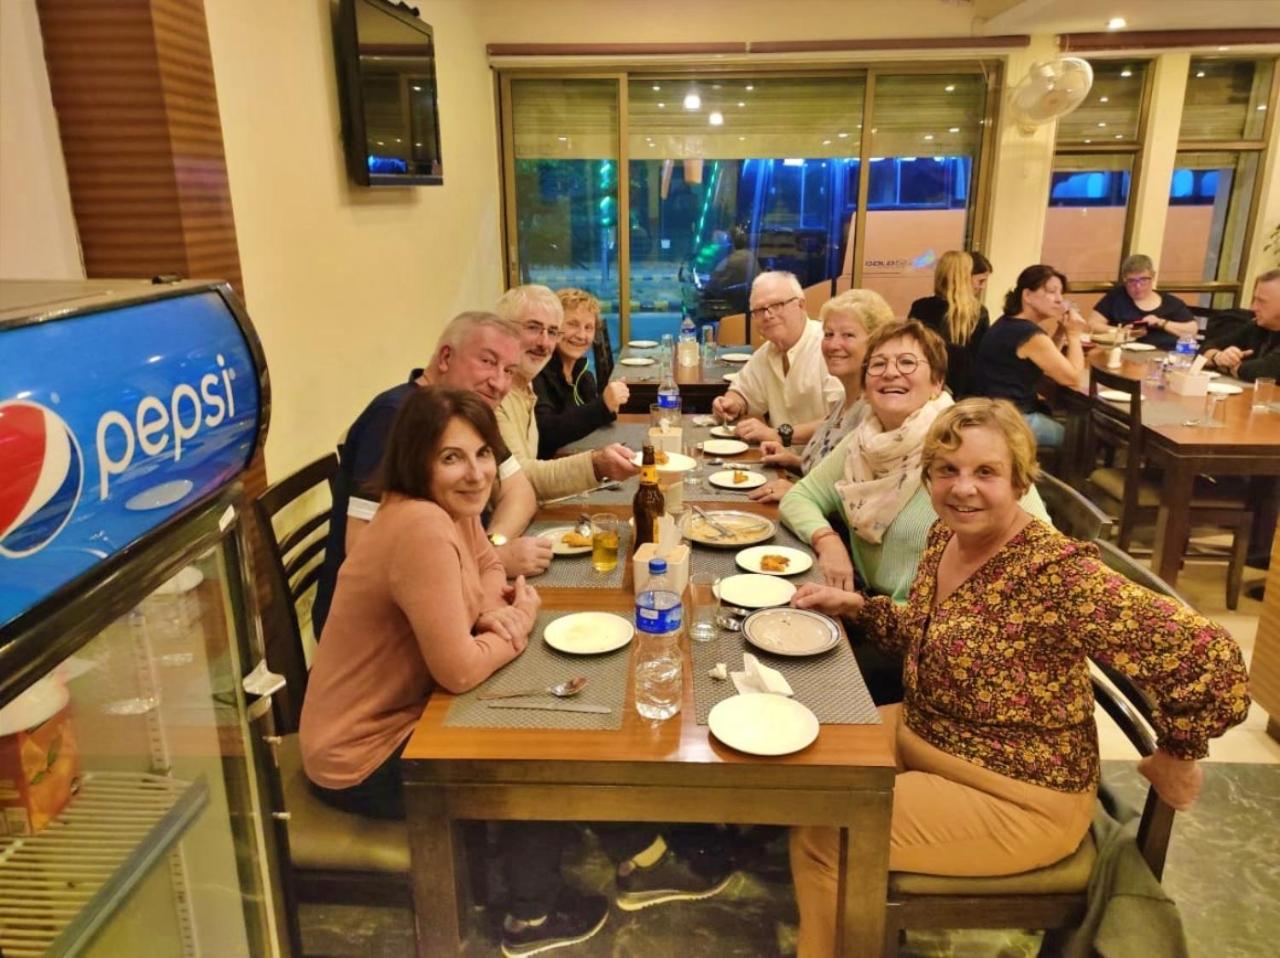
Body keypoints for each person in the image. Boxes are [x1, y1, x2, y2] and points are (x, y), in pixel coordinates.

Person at [786, 398, 1250, 958]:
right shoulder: (947, 536)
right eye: (947, 470)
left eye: (986, 472)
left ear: (1020, 480)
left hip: (1018, 793)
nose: (963, 488)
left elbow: (1210, 658)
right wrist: (859, 607)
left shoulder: (1055, 574)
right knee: (817, 759)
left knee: (826, 833)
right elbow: (934, 633)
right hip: (930, 735)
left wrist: (1178, 751)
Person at [300, 387, 610, 955]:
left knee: (536, 716)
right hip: (359, 754)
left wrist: (488, 613)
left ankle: (532, 864)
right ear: (417, 459)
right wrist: (515, 622)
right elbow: (461, 670)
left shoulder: (452, 508)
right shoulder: (420, 526)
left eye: (483, 453)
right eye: (452, 457)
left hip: (403, 711)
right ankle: (530, 915)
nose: (476, 473)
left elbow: (491, 565)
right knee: (532, 752)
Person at [780, 320, 1050, 703]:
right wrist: (828, 541)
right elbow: (800, 497)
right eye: (878, 364)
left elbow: (1041, 550)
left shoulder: (963, 444)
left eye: (907, 362)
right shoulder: (866, 441)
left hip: (945, 653)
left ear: (937, 382)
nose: (891, 372)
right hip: (882, 618)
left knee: (806, 689)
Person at [312, 311, 548, 636]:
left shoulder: (463, 413)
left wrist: (492, 547)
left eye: (509, 371)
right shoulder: (395, 417)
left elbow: (519, 491)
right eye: (487, 362)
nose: (499, 384)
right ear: (446, 357)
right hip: (382, 627)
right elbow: (363, 547)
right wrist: (490, 561)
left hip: (454, 591)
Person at [495, 285, 638, 502]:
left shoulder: (574, 374)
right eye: (533, 328)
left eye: (551, 331)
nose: (544, 342)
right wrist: (596, 463)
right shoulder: (507, 389)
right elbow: (544, 440)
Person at [748, 289, 892, 503]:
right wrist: (794, 462)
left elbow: (865, 499)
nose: (833, 345)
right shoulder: (845, 403)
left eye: (848, 335)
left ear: (876, 344)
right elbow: (830, 474)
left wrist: (797, 491)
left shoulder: (875, 413)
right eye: (829, 334)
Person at [710, 271, 844, 445]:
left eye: (777, 305)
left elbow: (842, 421)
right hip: (781, 457)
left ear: (801, 305)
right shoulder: (767, 353)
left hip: (824, 458)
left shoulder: (829, 347)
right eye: (759, 310)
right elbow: (742, 391)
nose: (767, 315)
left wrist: (779, 435)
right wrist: (732, 404)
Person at [975, 264, 1088, 448]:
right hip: (1012, 420)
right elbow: (1073, 379)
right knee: (1081, 438)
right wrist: (1074, 335)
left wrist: (1061, 331)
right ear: (1027, 295)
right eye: (1051, 291)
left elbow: (1048, 363)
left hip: (992, 412)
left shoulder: (1008, 323)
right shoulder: (1029, 334)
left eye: (1061, 293)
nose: (1059, 299)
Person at [532, 288, 629, 458]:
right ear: (554, 328)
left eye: (589, 328)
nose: (582, 335)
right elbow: (545, 434)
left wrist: (611, 405)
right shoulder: (537, 374)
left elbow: (591, 422)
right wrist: (603, 405)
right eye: (573, 324)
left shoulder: (584, 376)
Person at [909, 250, 991, 398]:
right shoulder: (977, 313)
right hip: (962, 392)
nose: (982, 287)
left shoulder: (920, 307)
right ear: (964, 279)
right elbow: (981, 362)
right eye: (980, 281)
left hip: (924, 384)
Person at [1086, 253, 1197, 351]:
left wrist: (1161, 323)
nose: (1138, 286)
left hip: (1165, 355)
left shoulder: (1171, 303)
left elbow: (1192, 330)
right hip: (1125, 355)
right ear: (1124, 279)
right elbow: (1092, 324)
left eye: (1144, 280)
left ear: (1153, 276)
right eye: (1131, 281)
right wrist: (1121, 331)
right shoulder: (1116, 297)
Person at [1201, 268, 1280, 382]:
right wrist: (1218, 357)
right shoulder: (1256, 326)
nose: (1253, 307)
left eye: (1261, 301)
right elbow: (1206, 347)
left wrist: (1231, 367)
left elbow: (1268, 370)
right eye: (1254, 299)